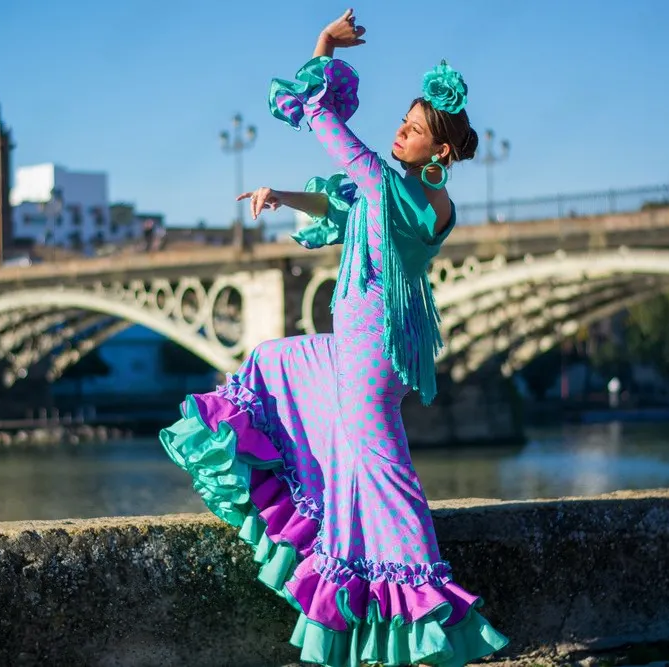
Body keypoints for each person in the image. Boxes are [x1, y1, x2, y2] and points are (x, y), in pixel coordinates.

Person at [159, 9, 509, 667]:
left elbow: (327, 128)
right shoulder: (394, 192)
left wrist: (321, 46)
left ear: (439, 152)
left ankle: (432, 608)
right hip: (350, 348)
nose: (399, 132)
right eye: (401, 123)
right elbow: (343, 200)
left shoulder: (410, 194)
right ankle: (374, 619)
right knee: (272, 367)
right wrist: (282, 195)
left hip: (371, 353)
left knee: (379, 472)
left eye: (412, 129)